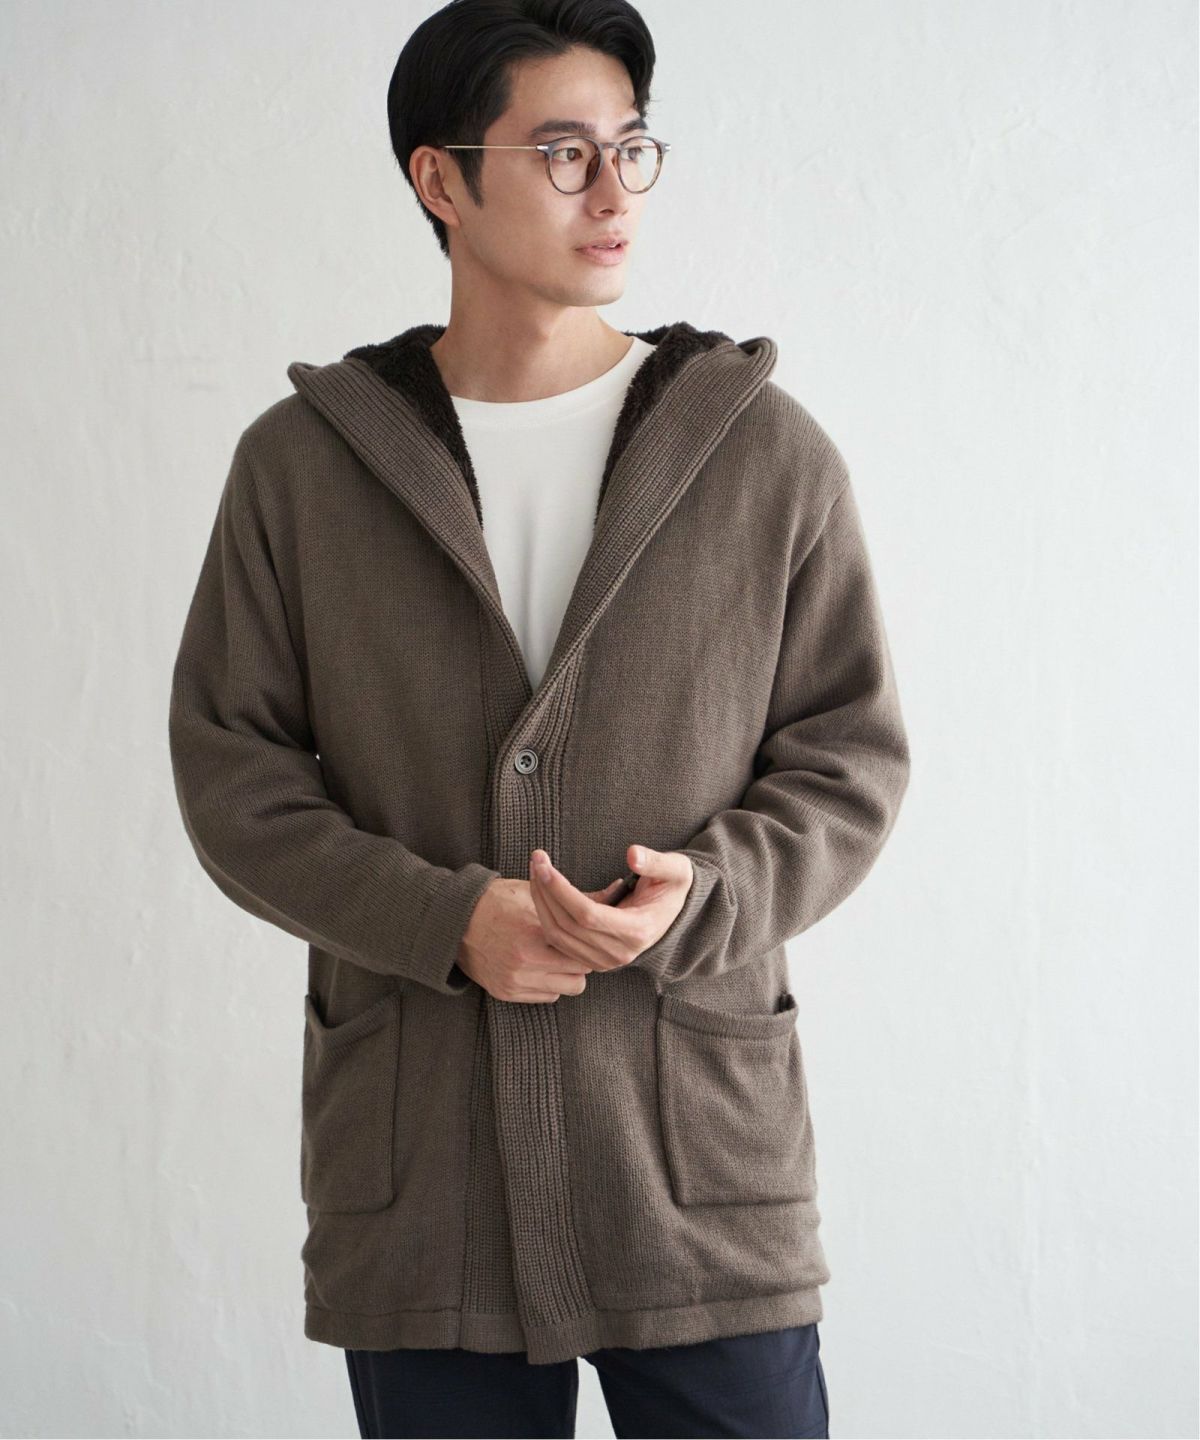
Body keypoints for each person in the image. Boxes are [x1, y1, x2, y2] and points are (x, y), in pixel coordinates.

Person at [168, 1, 911, 1434]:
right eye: (563, 153)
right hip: (425, 1184)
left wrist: (708, 893)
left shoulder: (759, 451)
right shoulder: (305, 470)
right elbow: (232, 774)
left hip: (693, 1168)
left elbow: (849, 757)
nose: (614, 191)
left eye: (634, 147)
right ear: (439, 179)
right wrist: (444, 921)